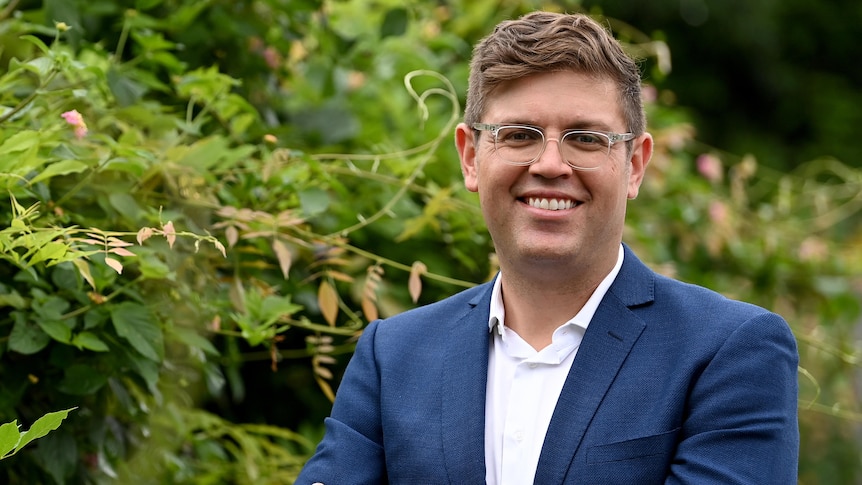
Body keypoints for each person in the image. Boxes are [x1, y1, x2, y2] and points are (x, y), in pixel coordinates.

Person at [296, 11, 799, 485]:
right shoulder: (393, 356)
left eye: (585, 138)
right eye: (518, 135)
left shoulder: (730, 351)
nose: (551, 164)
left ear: (636, 165)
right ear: (471, 157)